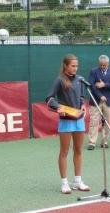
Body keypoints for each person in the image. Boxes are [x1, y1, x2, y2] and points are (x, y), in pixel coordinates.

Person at [45, 54, 90, 194]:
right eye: (73, 66)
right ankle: (64, 183)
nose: (75, 68)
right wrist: (58, 107)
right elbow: (49, 98)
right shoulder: (59, 80)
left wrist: (83, 105)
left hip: (79, 121)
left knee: (79, 150)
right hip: (66, 122)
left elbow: (81, 97)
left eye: (76, 66)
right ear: (65, 66)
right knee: (64, 151)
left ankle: (77, 181)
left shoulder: (79, 80)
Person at [88, 55, 110, 150]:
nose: (102, 67)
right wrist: (100, 96)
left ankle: (104, 142)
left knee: (107, 122)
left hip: (108, 101)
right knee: (94, 121)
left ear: (108, 64)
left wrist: (104, 84)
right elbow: (91, 85)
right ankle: (92, 142)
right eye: (101, 65)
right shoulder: (94, 71)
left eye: (104, 65)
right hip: (96, 100)